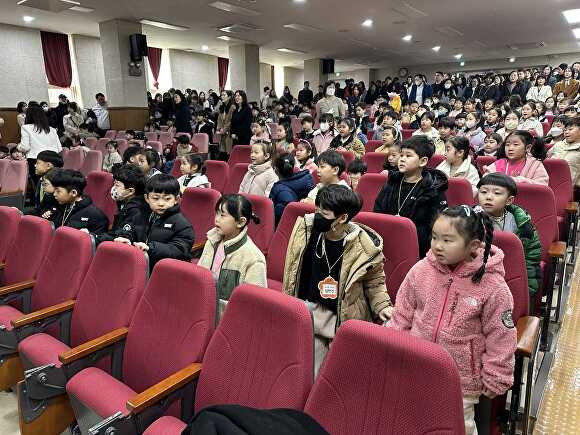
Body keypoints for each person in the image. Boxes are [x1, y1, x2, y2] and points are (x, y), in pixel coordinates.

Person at [387, 205, 516, 435]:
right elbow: (402, 314)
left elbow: (501, 335)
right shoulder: (421, 270)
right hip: (417, 366)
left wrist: (496, 374)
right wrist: (394, 349)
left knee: (456, 428)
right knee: (412, 421)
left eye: (447, 240)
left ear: (473, 246)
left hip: (461, 381)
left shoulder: (492, 286)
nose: (437, 245)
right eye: (434, 237)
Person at [284, 184, 393, 376]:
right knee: (299, 370)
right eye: (316, 209)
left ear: (342, 218)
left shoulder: (364, 248)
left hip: (340, 316)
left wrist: (382, 305)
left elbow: (374, 282)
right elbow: (294, 270)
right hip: (308, 309)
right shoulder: (307, 230)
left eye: (323, 213)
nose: (317, 215)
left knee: (327, 374)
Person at [374, 135, 448, 257]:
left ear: (423, 161)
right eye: (401, 155)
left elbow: (435, 228)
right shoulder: (391, 182)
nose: (402, 159)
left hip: (418, 248)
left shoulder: (433, 190)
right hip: (386, 244)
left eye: (408, 156)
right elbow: (378, 211)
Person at [198, 194, 266, 317]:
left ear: (240, 222)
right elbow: (199, 276)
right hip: (202, 311)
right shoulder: (211, 241)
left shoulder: (254, 259)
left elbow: (254, 306)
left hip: (228, 321)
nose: (216, 219)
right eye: (217, 213)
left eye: (222, 215)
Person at [477, 173, 542, 302]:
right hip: (477, 279)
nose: (489, 197)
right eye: (484, 192)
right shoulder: (467, 220)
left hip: (509, 279)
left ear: (509, 200)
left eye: (497, 193)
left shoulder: (522, 225)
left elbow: (530, 258)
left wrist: (526, 290)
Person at [132, 174, 195, 269]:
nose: (161, 203)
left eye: (167, 199)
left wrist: (151, 248)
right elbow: (130, 231)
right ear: (147, 198)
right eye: (155, 198)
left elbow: (179, 250)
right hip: (140, 266)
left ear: (176, 199)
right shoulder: (141, 215)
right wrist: (125, 238)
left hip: (167, 271)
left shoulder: (182, 224)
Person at [95, 164, 150, 245]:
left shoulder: (137, 211)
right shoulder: (124, 203)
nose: (113, 188)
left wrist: (95, 237)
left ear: (130, 191)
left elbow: (122, 237)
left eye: (117, 185)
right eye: (114, 184)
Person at [49, 169, 109, 233]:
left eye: (58, 191)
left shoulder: (96, 216)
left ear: (73, 193)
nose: (54, 194)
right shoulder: (58, 206)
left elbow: (96, 240)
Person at [17, 106, 62, 186]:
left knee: (40, 187)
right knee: (53, 187)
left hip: (36, 160)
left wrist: (18, 146)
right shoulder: (52, 129)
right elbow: (59, 148)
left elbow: (25, 147)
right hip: (54, 160)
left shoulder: (26, 128)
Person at [270, 152, 314, 224]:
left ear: (276, 170)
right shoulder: (302, 181)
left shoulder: (282, 192)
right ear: (293, 167)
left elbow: (277, 220)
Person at [26, 150, 63, 217]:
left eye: (37, 163)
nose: (35, 165)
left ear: (48, 165)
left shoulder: (61, 185)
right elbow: (39, 209)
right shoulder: (41, 180)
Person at [548, 117, 580, 186]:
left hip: (571, 188)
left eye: (570, 129)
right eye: (565, 130)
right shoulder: (558, 144)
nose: (566, 132)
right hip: (549, 182)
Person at [217, 90, 235, 157]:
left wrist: (224, 129)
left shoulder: (232, 107)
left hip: (229, 132)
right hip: (222, 133)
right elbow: (219, 120)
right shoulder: (222, 107)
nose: (222, 97)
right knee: (223, 152)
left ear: (229, 97)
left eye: (224, 95)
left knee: (229, 152)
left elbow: (231, 121)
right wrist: (219, 129)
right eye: (221, 95)